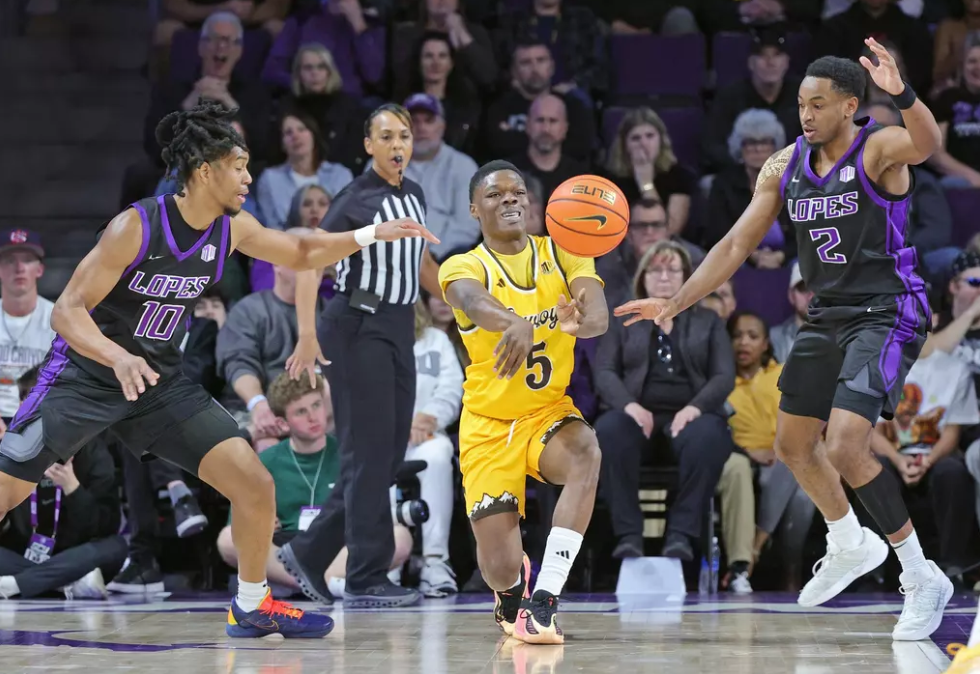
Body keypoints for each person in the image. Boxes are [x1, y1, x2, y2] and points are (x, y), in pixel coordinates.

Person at [0, 102, 436, 638]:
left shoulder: (230, 227)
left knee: (253, 482)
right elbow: (66, 311)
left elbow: (300, 250)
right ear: (205, 170)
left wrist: (369, 235)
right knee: (9, 483)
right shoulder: (135, 226)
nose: (249, 177)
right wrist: (117, 356)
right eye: (240, 165)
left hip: (157, 382)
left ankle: (252, 605)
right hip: (85, 376)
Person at [615, 42, 954, 641]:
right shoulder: (783, 166)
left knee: (848, 444)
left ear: (850, 106)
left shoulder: (878, 148)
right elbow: (735, 245)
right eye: (800, 104)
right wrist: (675, 301)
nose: (806, 114)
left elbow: (926, 143)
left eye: (818, 105)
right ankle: (849, 539)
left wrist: (901, 91)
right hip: (825, 314)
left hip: (888, 311)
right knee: (794, 443)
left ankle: (920, 574)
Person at [277, 103, 442, 609]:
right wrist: (306, 334)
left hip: (398, 326)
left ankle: (308, 554)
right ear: (369, 145)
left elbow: (422, 265)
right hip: (354, 326)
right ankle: (367, 576)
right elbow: (308, 264)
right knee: (368, 454)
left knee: (386, 454)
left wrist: (464, 303)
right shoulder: (353, 199)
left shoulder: (413, 195)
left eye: (405, 136)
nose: (398, 145)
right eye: (387, 136)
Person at [438, 160, 606, 643]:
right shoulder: (464, 265)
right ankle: (511, 590)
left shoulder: (565, 251)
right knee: (498, 566)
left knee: (585, 452)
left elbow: (596, 315)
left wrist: (584, 317)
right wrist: (515, 321)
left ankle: (546, 599)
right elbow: (472, 301)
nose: (509, 199)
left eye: (517, 193)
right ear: (475, 209)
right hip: (489, 424)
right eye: (495, 195)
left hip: (547, 413)